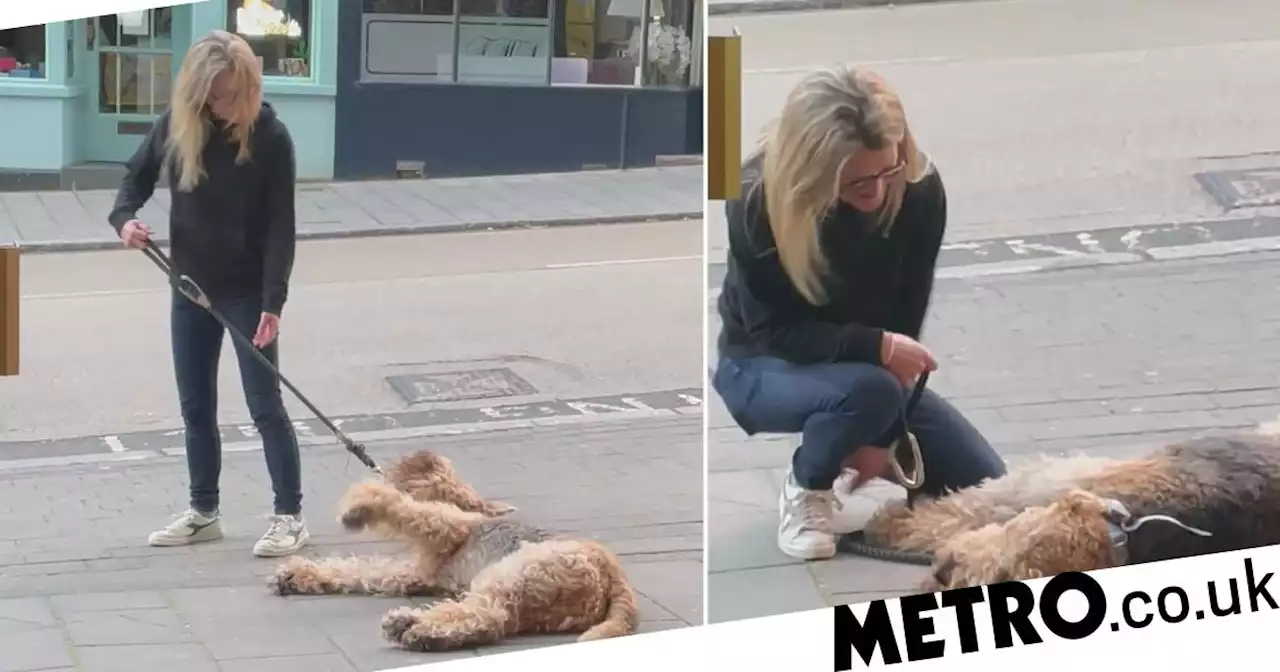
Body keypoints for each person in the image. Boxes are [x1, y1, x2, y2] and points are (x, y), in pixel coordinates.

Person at [711, 65, 1008, 561]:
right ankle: (807, 488)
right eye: (854, 183)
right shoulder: (756, 199)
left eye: (885, 172)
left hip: (867, 376)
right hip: (759, 364)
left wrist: (885, 431)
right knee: (867, 391)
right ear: (811, 173)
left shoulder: (918, 190)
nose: (875, 191)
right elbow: (775, 331)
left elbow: (906, 317)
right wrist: (877, 362)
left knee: (989, 490)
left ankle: (860, 431)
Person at [107, 30, 307, 558]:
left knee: (265, 405)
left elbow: (280, 228)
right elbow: (133, 182)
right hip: (190, 286)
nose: (227, 105)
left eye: (235, 93)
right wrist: (125, 222)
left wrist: (273, 303)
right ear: (198, 91)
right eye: (216, 95)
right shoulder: (179, 125)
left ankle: (289, 515)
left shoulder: (271, 137)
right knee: (196, 407)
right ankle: (204, 512)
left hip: (246, 292)